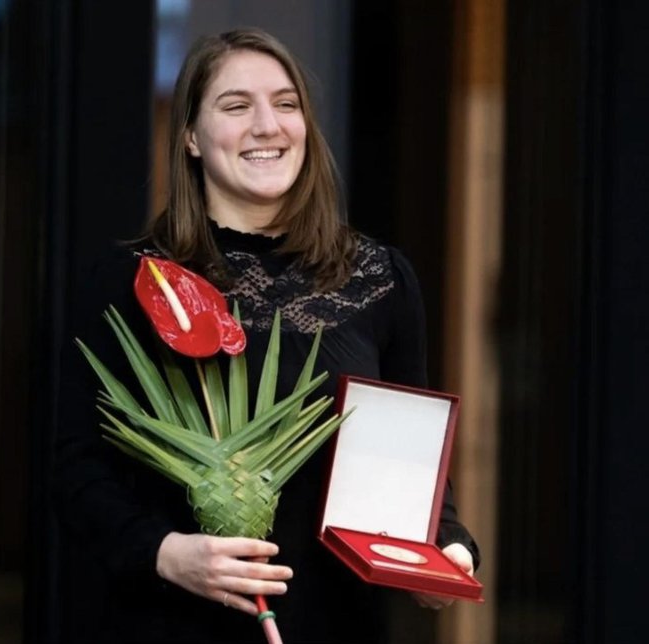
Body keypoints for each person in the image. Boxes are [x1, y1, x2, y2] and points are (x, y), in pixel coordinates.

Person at [55, 27, 480, 644]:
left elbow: (409, 457)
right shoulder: (132, 284)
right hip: (172, 624)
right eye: (236, 105)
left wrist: (444, 545)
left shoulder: (379, 277)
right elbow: (75, 470)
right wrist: (166, 552)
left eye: (286, 104)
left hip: (333, 623)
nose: (267, 125)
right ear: (191, 139)